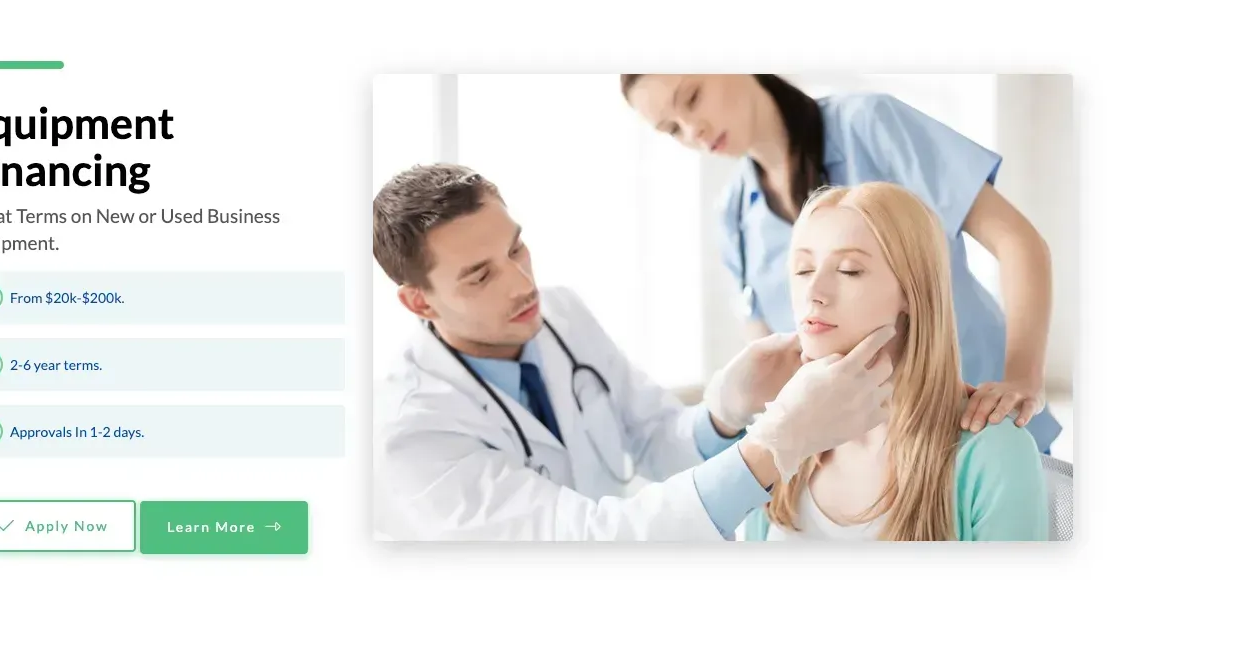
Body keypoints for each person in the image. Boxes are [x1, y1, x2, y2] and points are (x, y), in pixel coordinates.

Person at [372, 163, 896, 541]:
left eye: (515, 248)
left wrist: (724, 411)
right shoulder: (416, 430)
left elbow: (654, 438)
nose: (521, 283)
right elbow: (589, 540)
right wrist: (773, 446)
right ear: (418, 300)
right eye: (481, 275)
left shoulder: (560, 315)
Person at [619, 74, 1062, 453]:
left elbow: (1019, 243)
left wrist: (1021, 380)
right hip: (875, 465)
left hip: (987, 421)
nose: (692, 130)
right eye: (671, 129)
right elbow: (783, 360)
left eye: (692, 98)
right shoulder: (734, 219)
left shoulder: (870, 127)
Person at [741, 182, 1049, 541]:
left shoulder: (993, 454)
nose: (814, 292)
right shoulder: (776, 445)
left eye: (849, 270)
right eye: (804, 270)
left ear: (911, 291)